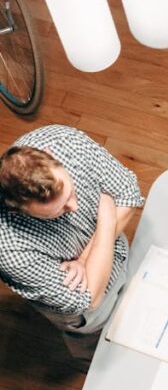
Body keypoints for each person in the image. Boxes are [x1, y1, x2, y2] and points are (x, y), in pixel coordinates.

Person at [0, 125, 144, 363]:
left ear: (51, 155)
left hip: (119, 257)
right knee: (94, 346)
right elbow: (88, 298)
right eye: (56, 212)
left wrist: (85, 260)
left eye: (71, 193)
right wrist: (106, 219)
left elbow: (129, 193)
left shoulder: (65, 140)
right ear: (17, 210)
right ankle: (87, 364)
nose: (74, 207)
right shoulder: (9, 250)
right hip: (93, 313)